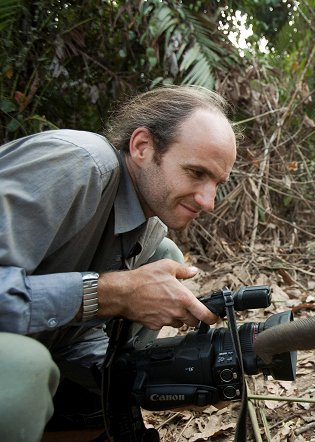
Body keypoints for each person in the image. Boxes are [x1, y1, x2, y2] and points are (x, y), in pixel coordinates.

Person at [0, 85, 237, 441]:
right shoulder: (79, 165)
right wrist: (109, 293)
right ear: (142, 147)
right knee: (22, 371)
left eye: (217, 182)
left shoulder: (151, 226)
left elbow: (71, 338)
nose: (208, 200)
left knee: (165, 257)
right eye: (196, 173)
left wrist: (173, 373)